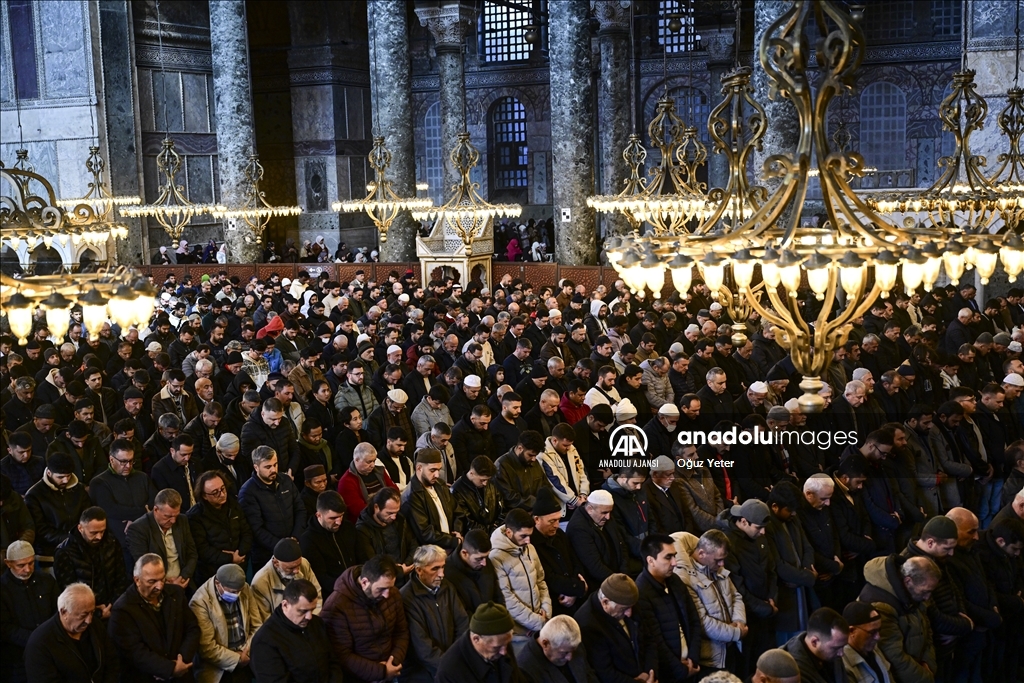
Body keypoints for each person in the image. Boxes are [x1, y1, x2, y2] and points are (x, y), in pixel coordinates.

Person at [109, 553, 200, 682]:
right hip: (147, 677)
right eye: (152, 581)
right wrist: (167, 669)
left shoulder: (176, 594)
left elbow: (192, 629)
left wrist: (181, 661)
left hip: (182, 674)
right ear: (137, 580)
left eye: (162, 579)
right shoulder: (123, 609)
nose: (159, 586)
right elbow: (134, 651)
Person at [321, 555, 409, 683]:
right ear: (364, 582)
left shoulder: (392, 594)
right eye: (381, 589)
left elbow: (401, 631)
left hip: (392, 669)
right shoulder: (337, 606)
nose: (387, 594)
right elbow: (342, 655)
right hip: (360, 677)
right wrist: (381, 671)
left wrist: (393, 662)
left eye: (390, 587)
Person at [672, 529, 747, 674]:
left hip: (731, 649)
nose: (722, 564)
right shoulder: (686, 579)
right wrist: (736, 633)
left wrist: (739, 620)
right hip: (711, 658)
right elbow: (703, 623)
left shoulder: (717, 568)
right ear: (701, 554)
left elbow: (736, 596)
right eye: (718, 559)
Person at [857, 555, 939, 683]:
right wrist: (926, 677)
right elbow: (894, 657)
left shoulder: (913, 594)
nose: (927, 598)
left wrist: (928, 664)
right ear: (908, 581)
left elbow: (927, 629)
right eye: (925, 592)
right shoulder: (880, 606)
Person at [635, 533, 703, 681]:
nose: (675, 563)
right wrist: (681, 670)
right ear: (651, 561)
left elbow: (694, 620)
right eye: (668, 557)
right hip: (670, 674)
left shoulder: (675, 581)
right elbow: (655, 640)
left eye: (675, 556)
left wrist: (693, 658)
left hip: (691, 665)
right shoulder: (641, 592)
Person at [249, 579, 342, 683]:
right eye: (303, 611)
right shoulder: (265, 640)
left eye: (312, 610)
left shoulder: (317, 623)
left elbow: (333, 662)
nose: (309, 617)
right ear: (285, 605)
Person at [23, 583, 119, 683]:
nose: (89, 620)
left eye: (92, 612)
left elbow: (112, 662)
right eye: (83, 615)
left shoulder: (95, 626)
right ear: (63, 612)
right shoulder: (40, 643)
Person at [400, 544, 469, 682]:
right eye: (435, 569)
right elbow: (422, 648)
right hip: (422, 672)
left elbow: (462, 623)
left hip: (452, 663)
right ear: (419, 570)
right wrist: (450, 667)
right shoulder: (406, 598)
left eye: (443, 567)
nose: (442, 574)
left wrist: (457, 659)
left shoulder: (447, 587)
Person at [574, 573, 658, 683]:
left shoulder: (628, 600)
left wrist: (650, 673)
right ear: (605, 603)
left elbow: (649, 640)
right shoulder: (588, 624)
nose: (629, 614)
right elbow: (604, 672)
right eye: (624, 609)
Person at [189, 563, 263, 683]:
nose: (237, 595)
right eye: (232, 592)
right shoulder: (200, 602)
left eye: (239, 591)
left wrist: (246, 652)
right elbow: (207, 647)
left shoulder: (245, 588)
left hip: (246, 661)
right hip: (218, 669)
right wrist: (237, 658)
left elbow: (257, 625)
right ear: (218, 584)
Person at [488, 508, 552, 646]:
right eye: (523, 536)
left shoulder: (530, 548)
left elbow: (540, 581)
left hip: (539, 622)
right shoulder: (496, 557)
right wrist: (537, 621)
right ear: (509, 532)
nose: (528, 541)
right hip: (518, 632)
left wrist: (546, 610)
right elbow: (507, 598)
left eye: (530, 535)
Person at [238, 445, 306, 569]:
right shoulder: (248, 492)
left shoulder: (285, 480)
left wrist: (295, 537)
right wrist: (282, 546)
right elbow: (256, 529)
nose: (273, 470)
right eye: (268, 467)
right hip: (266, 556)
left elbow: (300, 509)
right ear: (256, 467)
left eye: (275, 464)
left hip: (294, 545)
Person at [88, 438, 156, 562]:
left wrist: (135, 520)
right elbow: (111, 510)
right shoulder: (99, 482)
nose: (128, 466)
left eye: (131, 461)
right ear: (111, 459)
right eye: (123, 462)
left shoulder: (142, 478)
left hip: (148, 539)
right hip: (118, 544)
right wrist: (143, 512)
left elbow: (154, 503)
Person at [53, 507, 129, 617]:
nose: (99, 537)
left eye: (102, 531)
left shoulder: (111, 542)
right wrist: (96, 612)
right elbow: (69, 592)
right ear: (80, 528)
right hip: (84, 613)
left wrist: (113, 605)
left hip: (113, 607)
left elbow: (121, 577)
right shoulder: (64, 552)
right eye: (93, 533)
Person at [0, 540, 57, 683]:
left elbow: (58, 611)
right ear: (8, 563)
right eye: (21, 565)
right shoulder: (2, 589)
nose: (27, 569)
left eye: (31, 563)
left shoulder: (47, 580)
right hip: (17, 658)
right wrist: (36, 639)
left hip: (50, 650)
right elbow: (5, 628)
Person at [187, 471, 253, 588]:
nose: (222, 494)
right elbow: (202, 549)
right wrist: (230, 558)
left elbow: (247, 532)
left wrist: (240, 553)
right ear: (204, 496)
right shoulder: (195, 516)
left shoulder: (234, 505)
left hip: (240, 565)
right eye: (215, 493)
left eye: (223, 489)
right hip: (211, 574)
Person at [25, 452, 90, 568]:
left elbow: (87, 516)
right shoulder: (34, 495)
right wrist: (72, 539)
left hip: (80, 550)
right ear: (49, 473)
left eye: (68, 476)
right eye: (60, 477)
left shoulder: (79, 490)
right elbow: (41, 530)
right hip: (50, 553)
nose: (65, 481)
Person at [530, 486, 587, 615]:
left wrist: (575, 590)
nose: (556, 525)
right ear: (537, 520)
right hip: (555, 601)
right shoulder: (531, 544)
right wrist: (576, 588)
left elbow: (575, 561)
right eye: (552, 521)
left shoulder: (560, 534)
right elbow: (548, 578)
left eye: (558, 520)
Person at [126, 488, 198, 589]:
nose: (173, 521)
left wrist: (183, 577)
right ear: (155, 510)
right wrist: (167, 584)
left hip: (183, 583)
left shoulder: (182, 520)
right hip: (156, 586)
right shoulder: (138, 529)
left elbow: (192, 554)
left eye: (175, 516)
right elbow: (145, 566)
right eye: (168, 516)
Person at [435, 602, 522, 683]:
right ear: (476, 639)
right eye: (496, 647)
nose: (504, 652)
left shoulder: (501, 643)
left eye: (507, 644)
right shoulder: (449, 671)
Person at [566, 489, 632, 587]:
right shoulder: (578, 528)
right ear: (589, 509)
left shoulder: (605, 515)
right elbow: (594, 566)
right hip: (600, 584)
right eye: (604, 513)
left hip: (617, 575)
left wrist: (624, 574)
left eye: (610, 512)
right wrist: (619, 582)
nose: (608, 517)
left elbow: (621, 545)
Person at [401, 447, 461, 551]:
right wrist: (453, 541)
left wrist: (457, 531)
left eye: (439, 469)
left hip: (451, 546)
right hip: (431, 552)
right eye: (432, 470)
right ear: (419, 468)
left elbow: (458, 511)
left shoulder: (440, 485)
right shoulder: (412, 495)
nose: (437, 475)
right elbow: (425, 533)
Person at [250, 538, 322, 621]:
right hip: (280, 631)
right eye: (291, 568)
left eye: (298, 565)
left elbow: (317, 595)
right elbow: (266, 620)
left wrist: (310, 620)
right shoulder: (260, 582)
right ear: (276, 563)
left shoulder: (304, 564)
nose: (297, 571)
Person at [299, 491, 357, 592]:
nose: (339, 522)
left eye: (341, 516)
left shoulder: (348, 528)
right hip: (334, 593)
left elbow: (361, 557)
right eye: (333, 518)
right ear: (319, 515)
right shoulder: (308, 540)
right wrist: (347, 588)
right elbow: (321, 577)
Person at [516, 615, 599, 683]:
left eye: (572, 651)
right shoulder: (525, 670)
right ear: (545, 644)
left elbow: (589, 675)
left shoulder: (571, 644)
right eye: (564, 653)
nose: (570, 657)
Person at [444, 529, 506, 615]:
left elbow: (497, 596)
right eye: (478, 559)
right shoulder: (447, 573)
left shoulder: (485, 561)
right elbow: (460, 614)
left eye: (486, 557)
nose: (484, 563)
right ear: (464, 553)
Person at [780, 607, 849, 683]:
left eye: (843, 646)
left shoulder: (833, 654)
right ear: (814, 642)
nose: (841, 653)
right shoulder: (792, 670)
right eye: (836, 648)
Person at [494, 430, 551, 513]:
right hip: (516, 516)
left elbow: (545, 486)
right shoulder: (502, 465)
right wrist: (537, 503)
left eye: (536, 455)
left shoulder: (534, 462)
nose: (534, 459)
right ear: (520, 448)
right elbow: (509, 498)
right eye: (531, 455)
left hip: (537, 511)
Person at [337, 442, 397, 520]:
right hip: (366, 522)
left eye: (374, 461)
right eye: (369, 462)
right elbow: (359, 510)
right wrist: (384, 513)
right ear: (357, 460)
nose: (372, 465)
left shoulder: (380, 471)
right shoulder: (346, 481)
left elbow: (394, 491)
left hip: (388, 514)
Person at [841, 601, 893, 683]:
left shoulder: (873, 649)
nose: (877, 637)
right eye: (872, 632)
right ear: (851, 631)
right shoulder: (844, 665)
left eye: (879, 630)